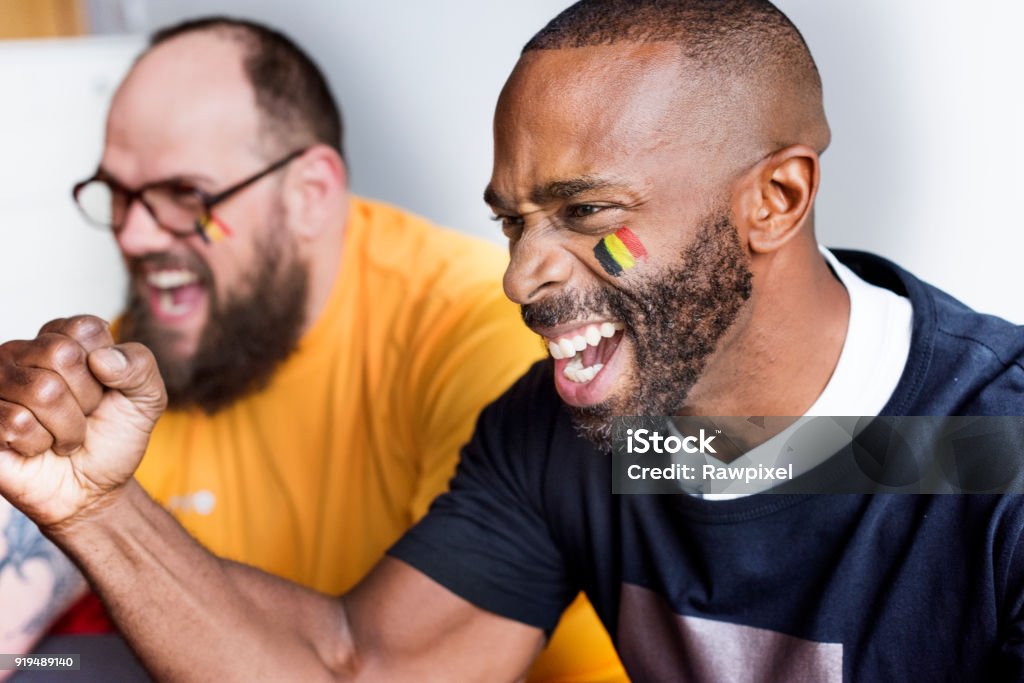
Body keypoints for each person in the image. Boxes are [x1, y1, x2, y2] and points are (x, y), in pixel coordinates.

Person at [2, 0, 1023, 680]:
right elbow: (351, 665)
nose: (522, 274)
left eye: (586, 212)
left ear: (776, 196)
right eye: (514, 219)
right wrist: (94, 504)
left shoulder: (992, 451)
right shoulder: (567, 433)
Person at [0, 16, 624, 683]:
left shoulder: (491, 340)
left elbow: (369, 667)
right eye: (117, 195)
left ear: (309, 194)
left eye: (184, 195)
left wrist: (100, 515)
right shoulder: (143, 349)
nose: (136, 234)